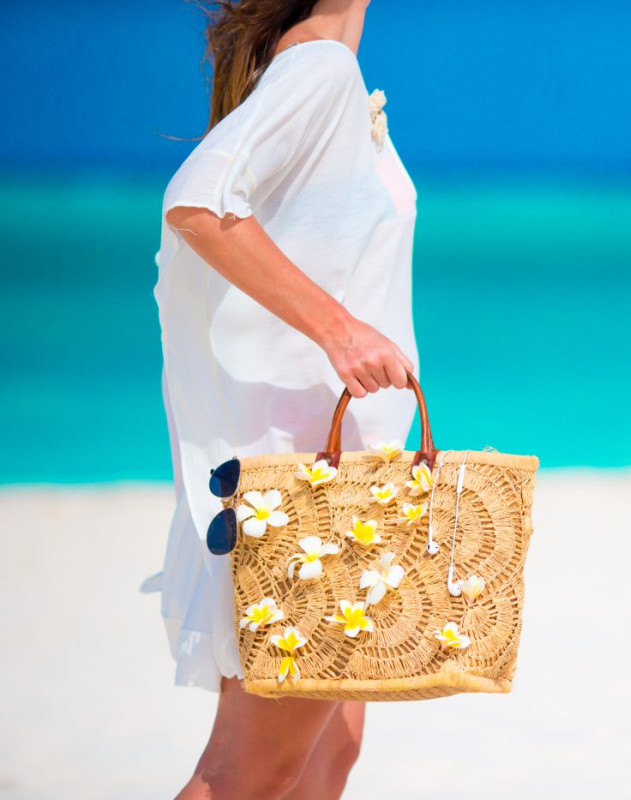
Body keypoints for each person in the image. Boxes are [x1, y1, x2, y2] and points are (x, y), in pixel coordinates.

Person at [143, 1, 419, 796]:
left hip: (339, 476)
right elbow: (199, 202)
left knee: (327, 755)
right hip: (305, 490)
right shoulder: (321, 67)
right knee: (247, 774)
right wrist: (341, 331)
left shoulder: (323, 68)